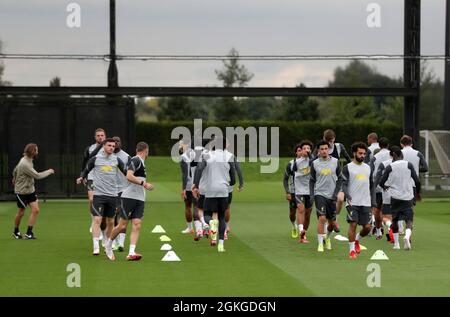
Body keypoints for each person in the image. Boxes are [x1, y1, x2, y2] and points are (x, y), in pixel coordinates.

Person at [76, 138, 127, 256]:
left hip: (112, 195)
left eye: (113, 146)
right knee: (97, 219)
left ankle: (107, 242)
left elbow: (126, 172)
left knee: (110, 221)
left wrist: (135, 179)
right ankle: (95, 246)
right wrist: (81, 177)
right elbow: (86, 170)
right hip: (98, 195)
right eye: (109, 145)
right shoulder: (96, 159)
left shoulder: (117, 160)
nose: (111, 148)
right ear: (104, 146)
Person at [105, 142, 153, 261]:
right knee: (122, 226)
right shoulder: (136, 160)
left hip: (140, 198)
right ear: (146, 151)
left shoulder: (141, 162)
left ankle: (131, 252)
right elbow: (129, 176)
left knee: (137, 224)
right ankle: (108, 244)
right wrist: (144, 183)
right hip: (129, 197)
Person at [192, 137, 236, 252]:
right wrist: (230, 182)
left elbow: (200, 168)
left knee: (207, 214)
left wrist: (196, 185)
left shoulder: (207, 155)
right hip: (223, 190)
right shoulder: (229, 156)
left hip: (210, 190)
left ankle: (211, 222)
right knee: (222, 216)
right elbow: (233, 176)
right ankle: (221, 244)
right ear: (225, 145)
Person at [379, 146, 421, 250]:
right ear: (402, 155)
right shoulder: (409, 164)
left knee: (395, 220)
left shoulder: (390, 166)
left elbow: (381, 182)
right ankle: (407, 237)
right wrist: (418, 193)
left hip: (395, 197)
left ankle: (396, 244)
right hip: (407, 197)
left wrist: (385, 187)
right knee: (409, 220)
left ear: (394, 155)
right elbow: (417, 181)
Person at [12, 143, 55, 239]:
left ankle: (29, 233)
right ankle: (16, 231)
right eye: (36, 149)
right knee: (21, 212)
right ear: (32, 152)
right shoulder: (25, 163)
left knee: (35, 210)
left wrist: (14, 178)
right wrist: (49, 171)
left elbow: (15, 169)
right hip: (21, 191)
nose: (38, 151)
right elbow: (37, 176)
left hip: (30, 190)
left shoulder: (28, 159)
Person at [314, 129, 351, 233]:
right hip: (323, 181)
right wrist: (315, 156)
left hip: (336, 180)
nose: (329, 143)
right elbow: (312, 161)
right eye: (327, 140)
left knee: (340, 199)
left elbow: (349, 159)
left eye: (331, 141)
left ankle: (335, 219)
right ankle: (327, 223)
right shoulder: (321, 148)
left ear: (334, 139)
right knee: (324, 210)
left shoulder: (339, 147)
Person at [342, 142, 374, 259]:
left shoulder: (368, 168)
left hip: (366, 202)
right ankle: (351, 251)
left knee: (367, 228)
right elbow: (344, 184)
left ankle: (357, 240)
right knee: (353, 224)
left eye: (364, 154)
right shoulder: (347, 168)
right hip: (352, 203)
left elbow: (372, 186)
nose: (362, 155)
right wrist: (347, 195)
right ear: (354, 153)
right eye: (360, 153)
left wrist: (373, 202)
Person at [310, 140, 343, 252]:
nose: (324, 151)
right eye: (322, 149)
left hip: (332, 196)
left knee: (333, 225)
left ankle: (327, 238)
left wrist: (336, 193)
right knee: (322, 218)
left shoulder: (335, 162)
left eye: (326, 149)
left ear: (328, 150)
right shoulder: (315, 163)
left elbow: (340, 179)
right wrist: (311, 194)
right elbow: (311, 180)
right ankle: (320, 244)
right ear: (318, 151)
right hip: (320, 194)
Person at [399, 135, 428, 235]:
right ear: (411, 143)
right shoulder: (418, 153)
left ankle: (400, 227)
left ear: (401, 144)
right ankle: (409, 225)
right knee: (410, 207)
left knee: (398, 205)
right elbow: (425, 168)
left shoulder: (399, 153)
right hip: (413, 184)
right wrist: (415, 169)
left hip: (400, 183)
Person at [80, 128, 106, 235]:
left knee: (103, 202)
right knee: (91, 199)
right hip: (91, 177)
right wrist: (83, 175)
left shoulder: (108, 148)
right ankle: (93, 221)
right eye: (98, 135)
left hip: (104, 179)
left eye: (102, 135)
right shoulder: (89, 149)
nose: (100, 137)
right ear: (95, 137)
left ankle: (100, 224)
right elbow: (84, 162)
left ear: (105, 136)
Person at [292, 140, 314, 243]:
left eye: (308, 149)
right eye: (304, 149)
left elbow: (315, 167)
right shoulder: (297, 162)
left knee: (308, 213)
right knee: (301, 209)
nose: (306, 150)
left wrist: (311, 158)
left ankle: (304, 232)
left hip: (310, 190)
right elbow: (295, 170)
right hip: (299, 189)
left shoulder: (314, 161)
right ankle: (301, 232)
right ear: (301, 151)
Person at [111, 136, 131, 252]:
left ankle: (121, 243)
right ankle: (113, 241)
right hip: (111, 190)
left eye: (118, 141)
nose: (116, 143)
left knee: (123, 215)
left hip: (123, 189)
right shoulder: (107, 156)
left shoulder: (126, 156)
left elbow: (130, 173)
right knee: (113, 215)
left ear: (121, 143)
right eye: (114, 142)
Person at [369, 137, 390, 239]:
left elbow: (371, 171)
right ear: (388, 145)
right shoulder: (393, 155)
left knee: (376, 210)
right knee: (389, 211)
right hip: (390, 186)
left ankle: (378, 231)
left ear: (379, 146)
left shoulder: (375, 157)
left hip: (377, 187)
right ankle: (393, 231)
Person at [283, 150, 299, 238]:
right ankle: (294, 226)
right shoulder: (291, 164)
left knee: (304, 211)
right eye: (299, 150)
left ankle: (302, 231)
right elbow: (285, 179)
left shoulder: (309, 163)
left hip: (305, 192)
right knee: (292, 213)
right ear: (296, 152)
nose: (301, 152)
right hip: (293, 192)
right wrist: (287, 192)